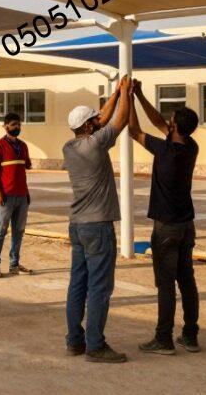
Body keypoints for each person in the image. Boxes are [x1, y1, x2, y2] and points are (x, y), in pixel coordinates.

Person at [128, 80, 201, 355]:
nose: (166, 124)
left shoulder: (165, 150)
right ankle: (190, 336)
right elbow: (160, 123)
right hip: (186, 224)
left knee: (166, 283)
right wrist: (142, 95)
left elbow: (135, 131)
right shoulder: (190, 146)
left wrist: (130, 98)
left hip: (166, 227)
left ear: (173, 128)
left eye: (169, 123)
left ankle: (163, 339)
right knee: (187, 279)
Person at [63, 75, 131, 364]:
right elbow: (120, 120)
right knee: (100, 286)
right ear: (89, 126)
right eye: (94, 120)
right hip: (98, 226)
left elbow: (102, 119)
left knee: (78, 283)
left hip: (77, 225)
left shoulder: (69, 147)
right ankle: (95, 345)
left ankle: (74, 341)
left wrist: (114, 94)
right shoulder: (96, 144)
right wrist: (126, 93)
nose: (98, 121)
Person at [0, 112, 32, 278]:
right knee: (0, 230)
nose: (17, 127)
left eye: (19, 124)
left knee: (18, 231)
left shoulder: (23, 146)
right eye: (14, 124)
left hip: (22, 197)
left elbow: (24, 169)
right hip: (6, 196)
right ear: (5, 126)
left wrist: (27, 193)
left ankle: (14, 264)